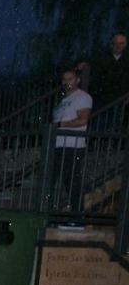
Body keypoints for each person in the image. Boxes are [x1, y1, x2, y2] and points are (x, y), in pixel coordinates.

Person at [50, 68, 93, 218]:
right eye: (64, 79)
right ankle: (47, 216)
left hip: (73, 146)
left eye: (70, 79)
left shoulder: (82, 97)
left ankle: (77, 217)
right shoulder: (63, 100)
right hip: (57, 146)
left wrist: (61, 125)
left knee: (72, 183)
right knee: (49, 181)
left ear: (77, 80)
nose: (67, 82)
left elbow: (83, 119)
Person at [88, 32, 128, 108]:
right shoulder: (101, 58)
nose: (118, 46)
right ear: (112, 44)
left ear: (125, 45)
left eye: (121, 43)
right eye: (115, 43)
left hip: (120, 99)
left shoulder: (126, 61)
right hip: (102, 97)